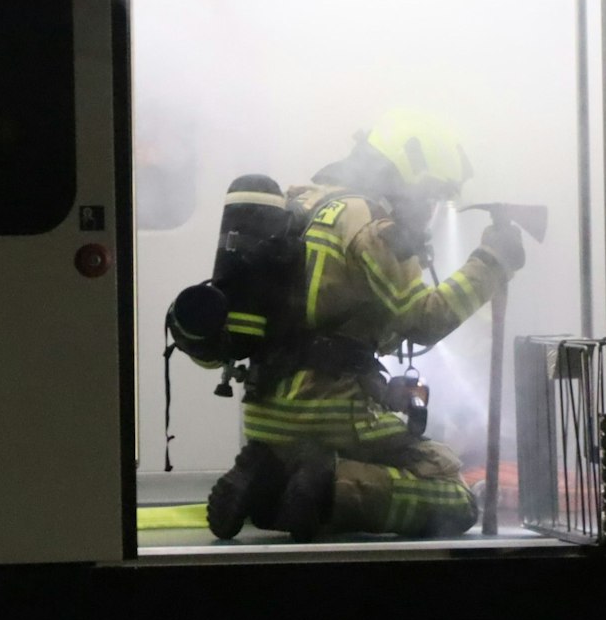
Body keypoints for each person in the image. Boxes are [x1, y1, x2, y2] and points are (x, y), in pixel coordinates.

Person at [203, 109, 526, 542]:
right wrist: (491, 263)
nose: (430, 212)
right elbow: (422, 320)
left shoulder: (301, 204)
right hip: (330, 413)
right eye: (430, 195)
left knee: (297, 497)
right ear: (407, 178)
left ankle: (268, 480)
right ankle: (327, 485)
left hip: (265, 414)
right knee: (452, 494)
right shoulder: (370, 222)